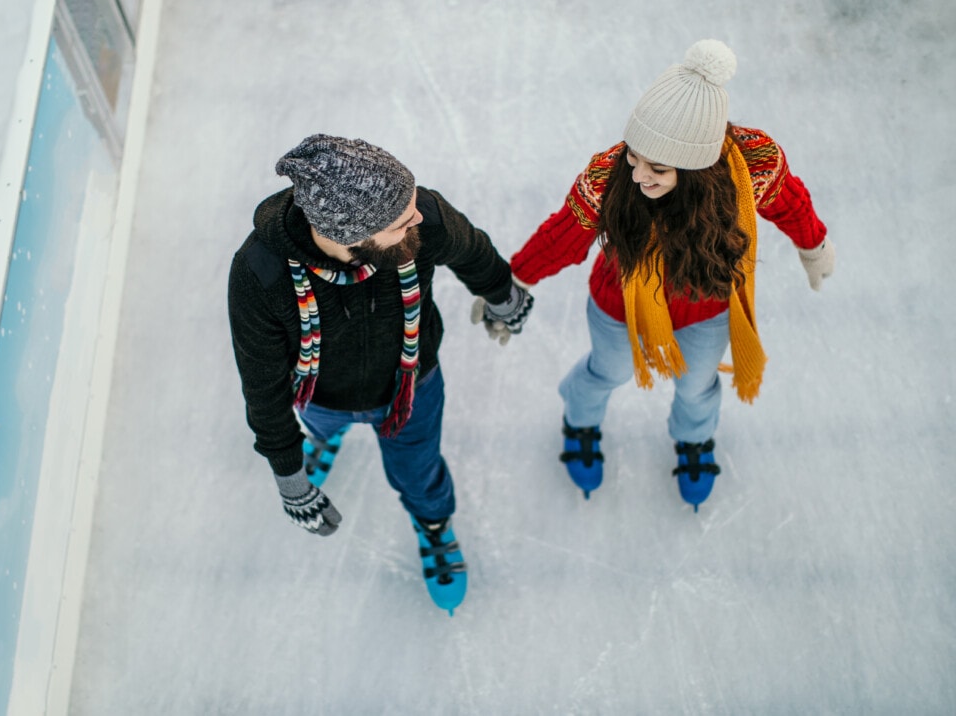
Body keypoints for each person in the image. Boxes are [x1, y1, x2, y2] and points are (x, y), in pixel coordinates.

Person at [510, 40, 835, 511]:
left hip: (707, 306)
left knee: (697, 384)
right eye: (635, 157)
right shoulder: (609, 177)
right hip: (619, 305)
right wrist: (515, 280)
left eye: (658, 168)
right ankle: (580, 423)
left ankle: (694, 442)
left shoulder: (749, 168)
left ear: (697, 166)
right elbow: (564, 235)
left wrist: (813, 244)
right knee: (608, 371)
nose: (640, 175)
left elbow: (790, 203)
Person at [228, 134, 532, 613]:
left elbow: (471, 249)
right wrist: (291, 479)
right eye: (398, 222)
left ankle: (432, 525)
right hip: (320, 395)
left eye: (412, 205)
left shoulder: (420, 216)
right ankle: (322, 443)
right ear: (349, 236)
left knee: (419, 471)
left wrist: (503, 295)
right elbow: (262, 387)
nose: (418, 218)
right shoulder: (261, 275)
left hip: (411, 387)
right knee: (319, 428)